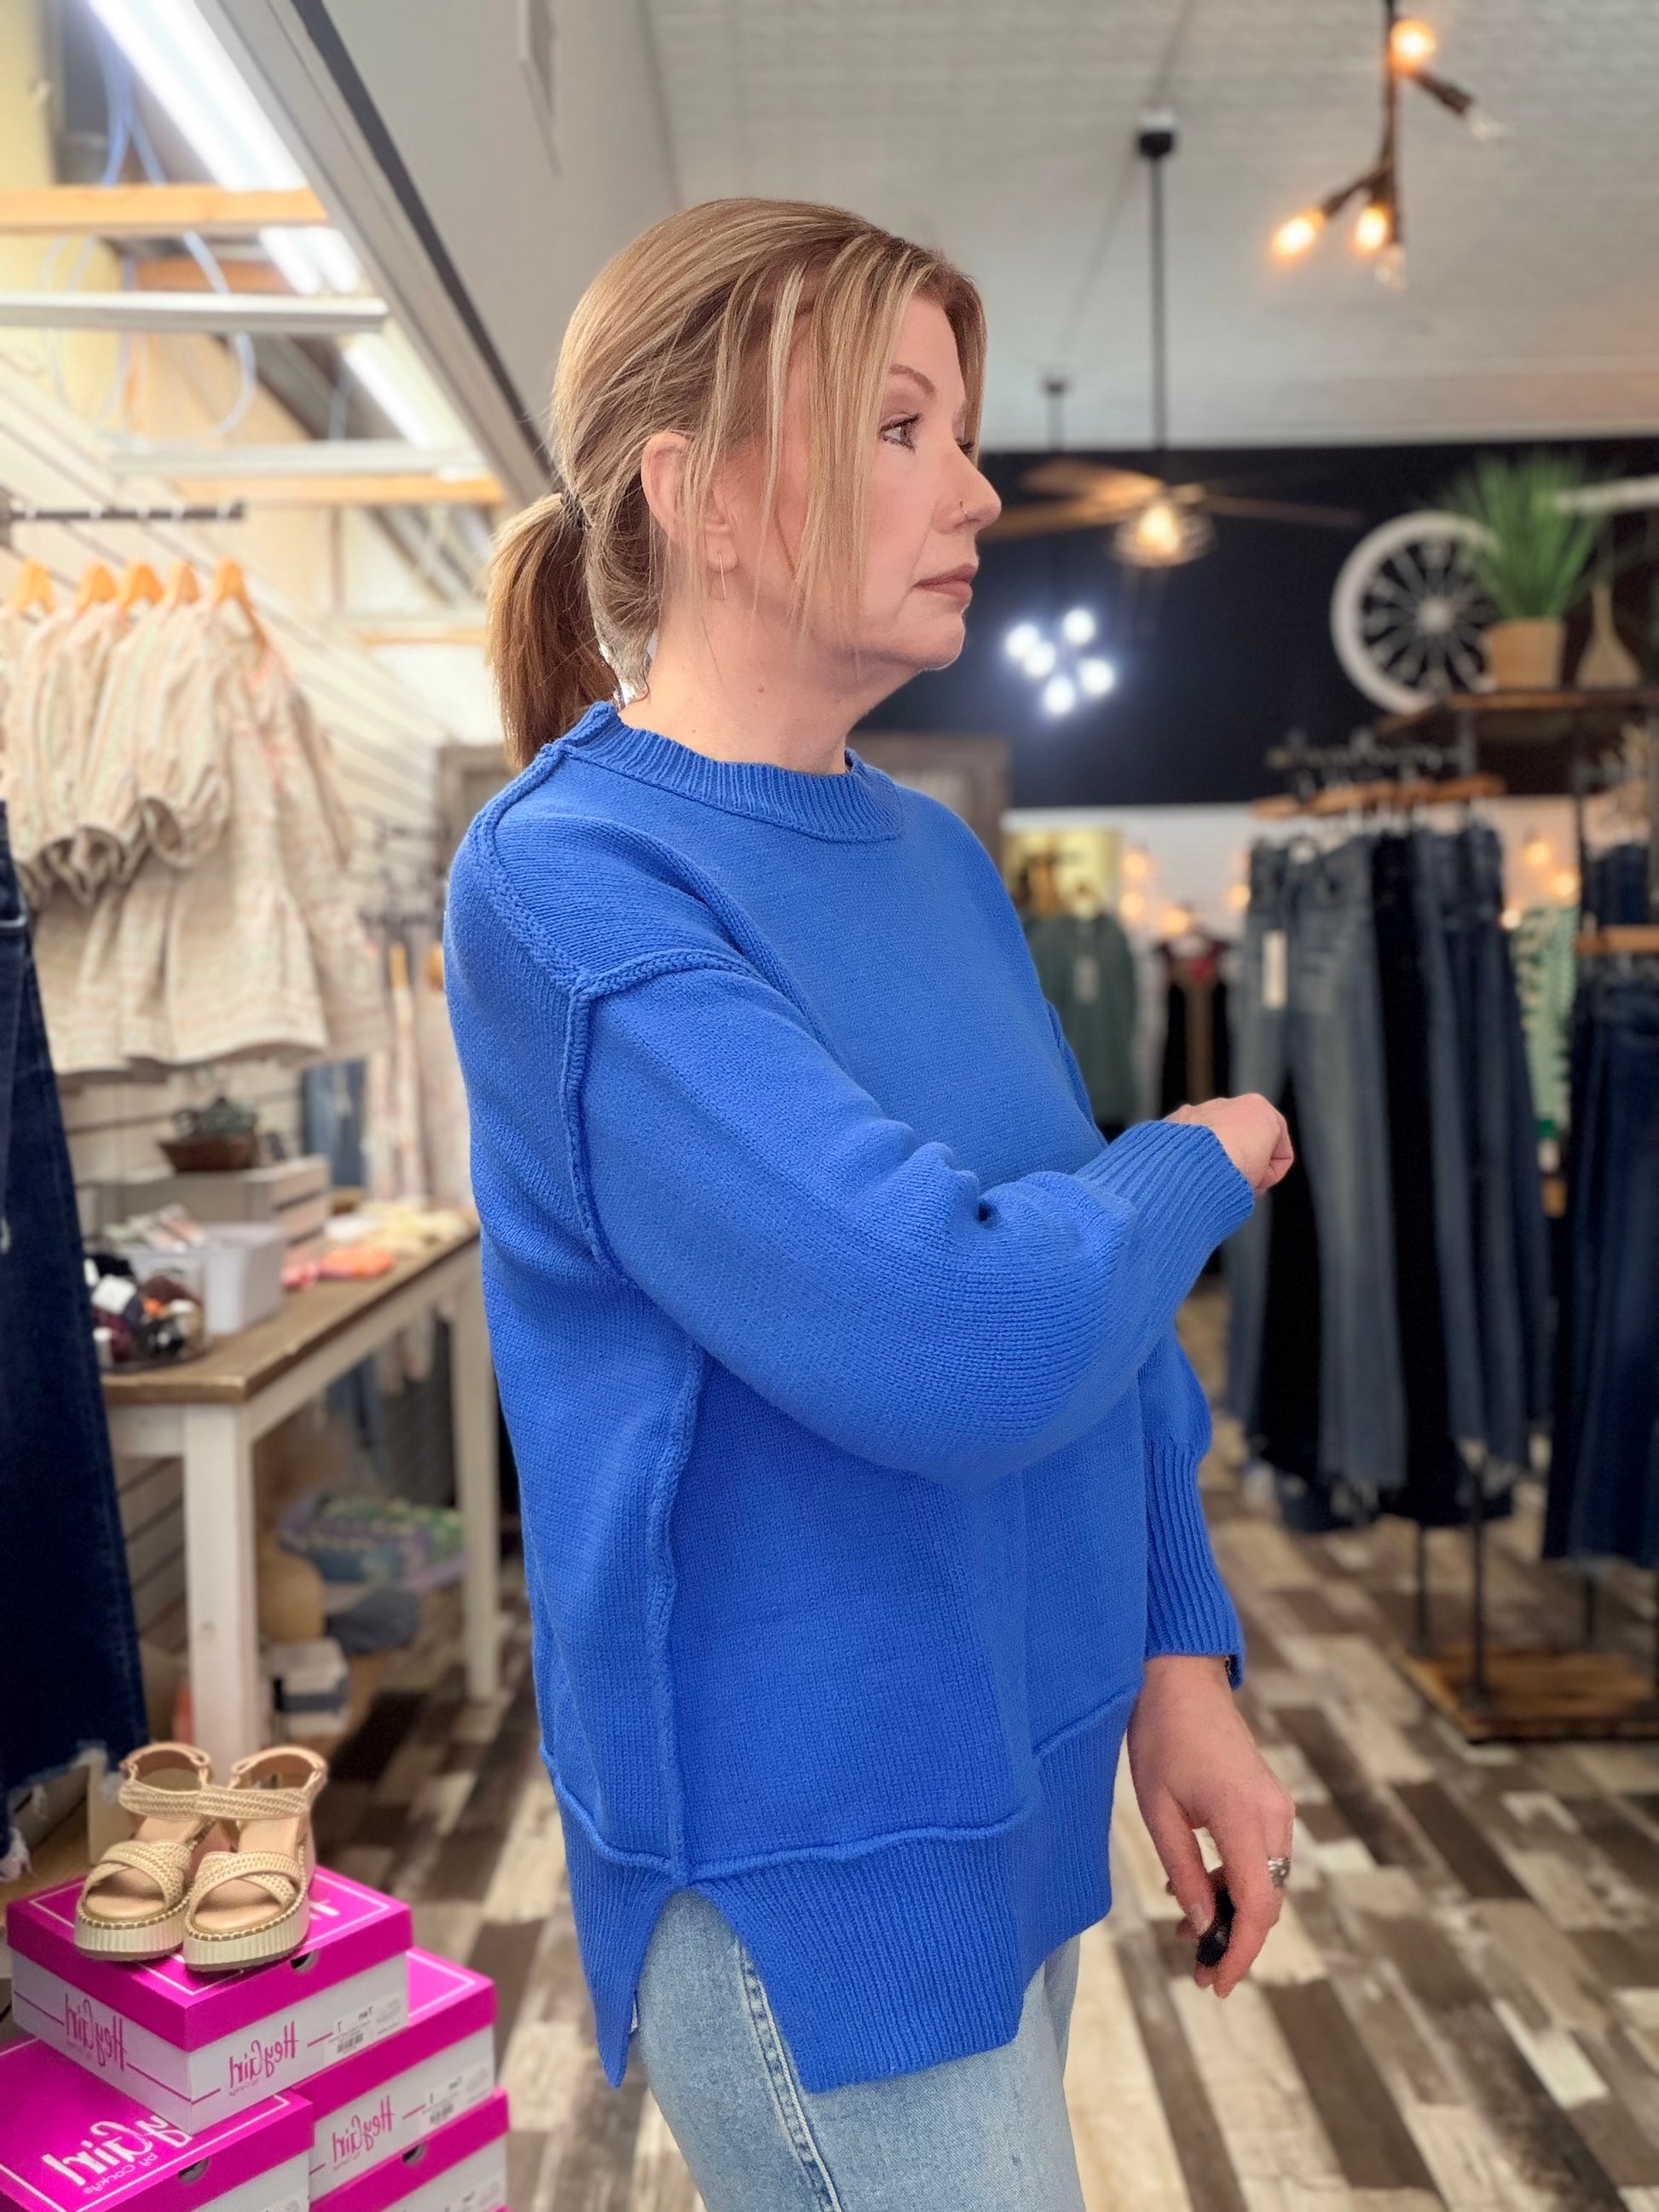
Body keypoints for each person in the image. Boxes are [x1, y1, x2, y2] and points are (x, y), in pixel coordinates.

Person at [446, 199, 1296, 2212]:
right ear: (701, 494)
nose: (977, 490)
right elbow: (964, 1325)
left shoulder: (926, 853)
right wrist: (1206, 1151)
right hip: (813, 1858)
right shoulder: (572, 883)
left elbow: (1090, 1325)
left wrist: (1178, 1667)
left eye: (960, 430)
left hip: (1011, 1773)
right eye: (900, 426)